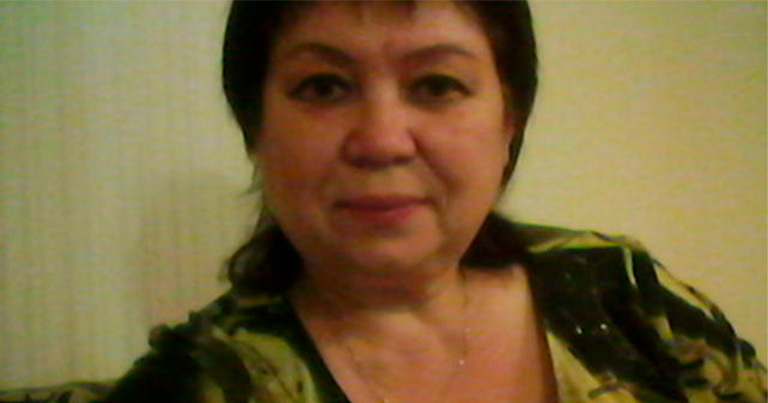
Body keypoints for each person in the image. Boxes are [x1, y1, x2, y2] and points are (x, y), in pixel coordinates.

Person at [97, 1, 765, 402]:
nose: (382, 140)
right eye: (324, 86)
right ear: (255, 127)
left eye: (438, 84)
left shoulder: (625, 292)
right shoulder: (199, 384)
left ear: (509, 120)